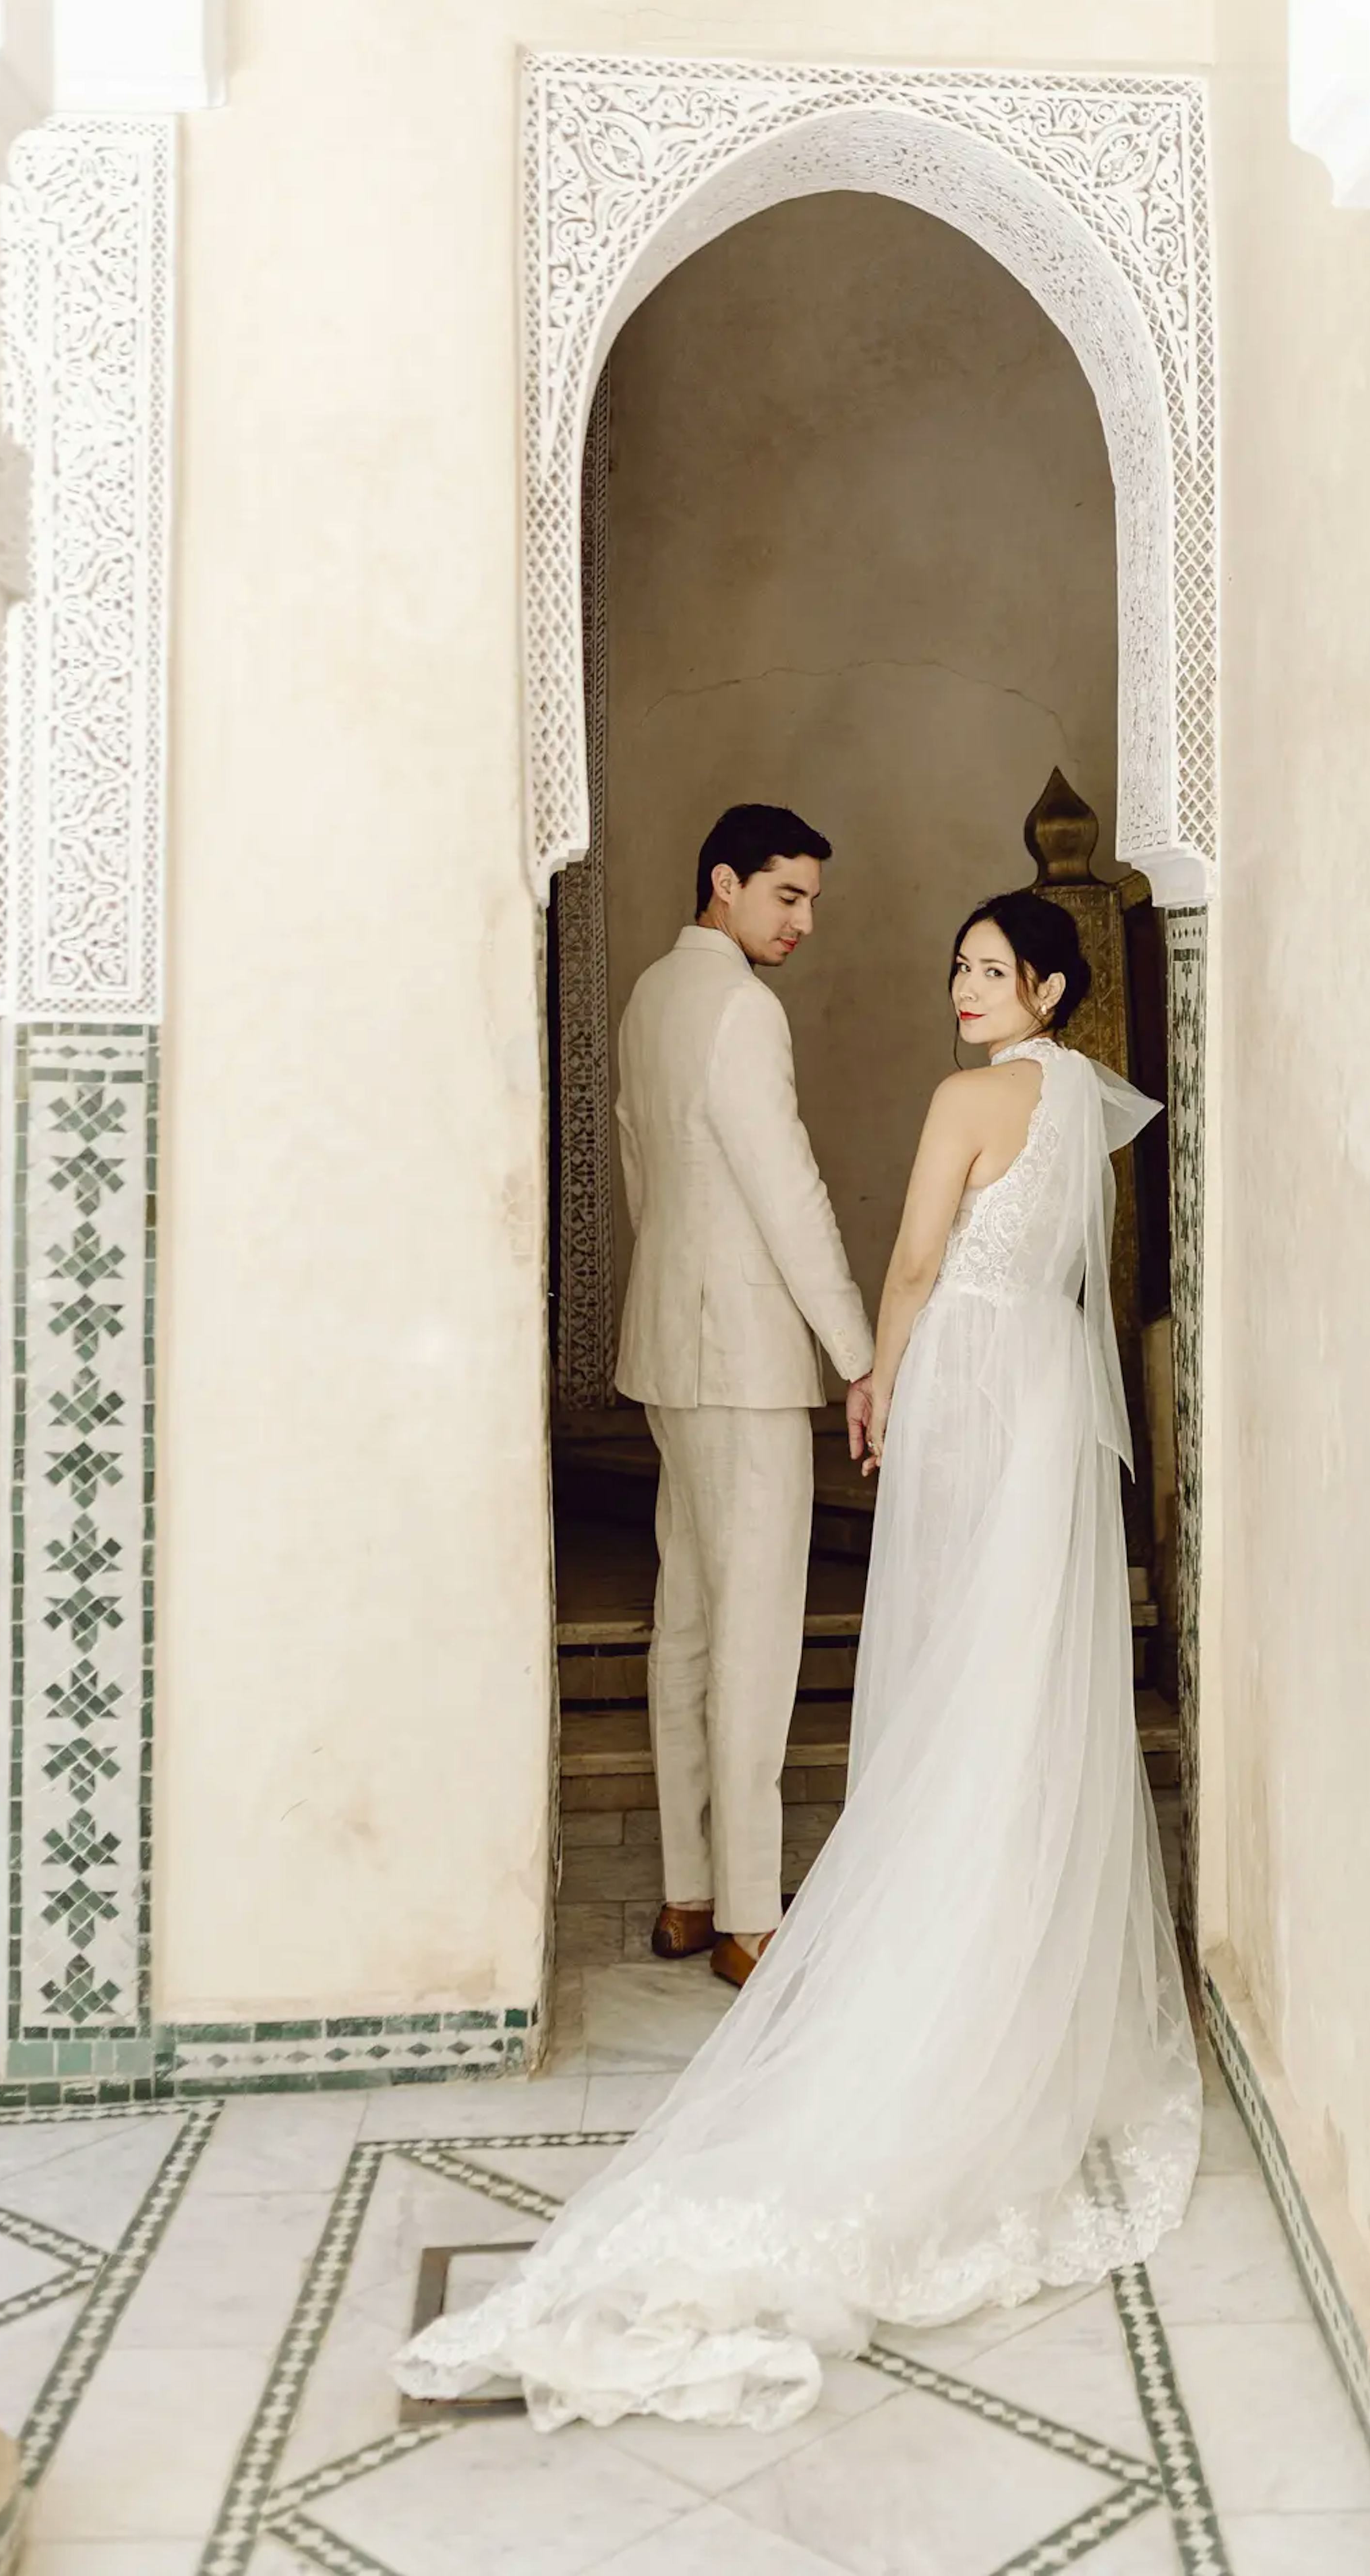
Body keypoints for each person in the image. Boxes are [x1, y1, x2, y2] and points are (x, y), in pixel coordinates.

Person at [393, 889, 1201, 2431]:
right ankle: (1014, 1963)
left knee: (958, 1664)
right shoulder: (1090, 1102)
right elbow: (1072, 1279)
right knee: (1018, 1682)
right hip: (1042, 1395)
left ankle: (937, 1953)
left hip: (969, 1377)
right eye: (954, 965)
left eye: (989, 969)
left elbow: (911, 1263)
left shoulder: (971, 1096)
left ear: (1045, 983)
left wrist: (879, 1389)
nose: (962, 989)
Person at [611, 803, 874, 1989]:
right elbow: (791, 1192)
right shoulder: (738, 1007)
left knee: (691, 1623)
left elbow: (639, 1170)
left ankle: (686, 1893)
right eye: (787, 895)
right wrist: (860, 1352)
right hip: (744, 1360)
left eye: (812, 900)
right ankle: (748, 1917)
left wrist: (681, 1288)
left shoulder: (652, 997)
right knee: (755, 1633)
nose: (804, 921)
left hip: (671, 1346)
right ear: (724, 880)